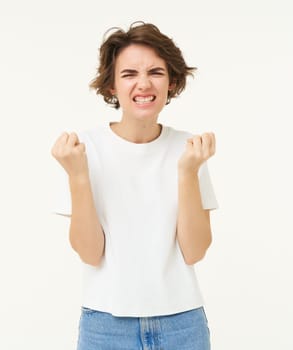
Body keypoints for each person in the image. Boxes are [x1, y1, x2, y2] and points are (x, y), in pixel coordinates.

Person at [51, 21, 218, 350]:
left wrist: (187, 173)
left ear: (171, 82)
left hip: (182, 323)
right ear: (111, 86)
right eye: (129, 74)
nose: (144, 84)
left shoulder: (191, 149)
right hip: (106, 325)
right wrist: (78, 176)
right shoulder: (82, 149)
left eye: (156, 71)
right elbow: (89, 252)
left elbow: (195, 250)